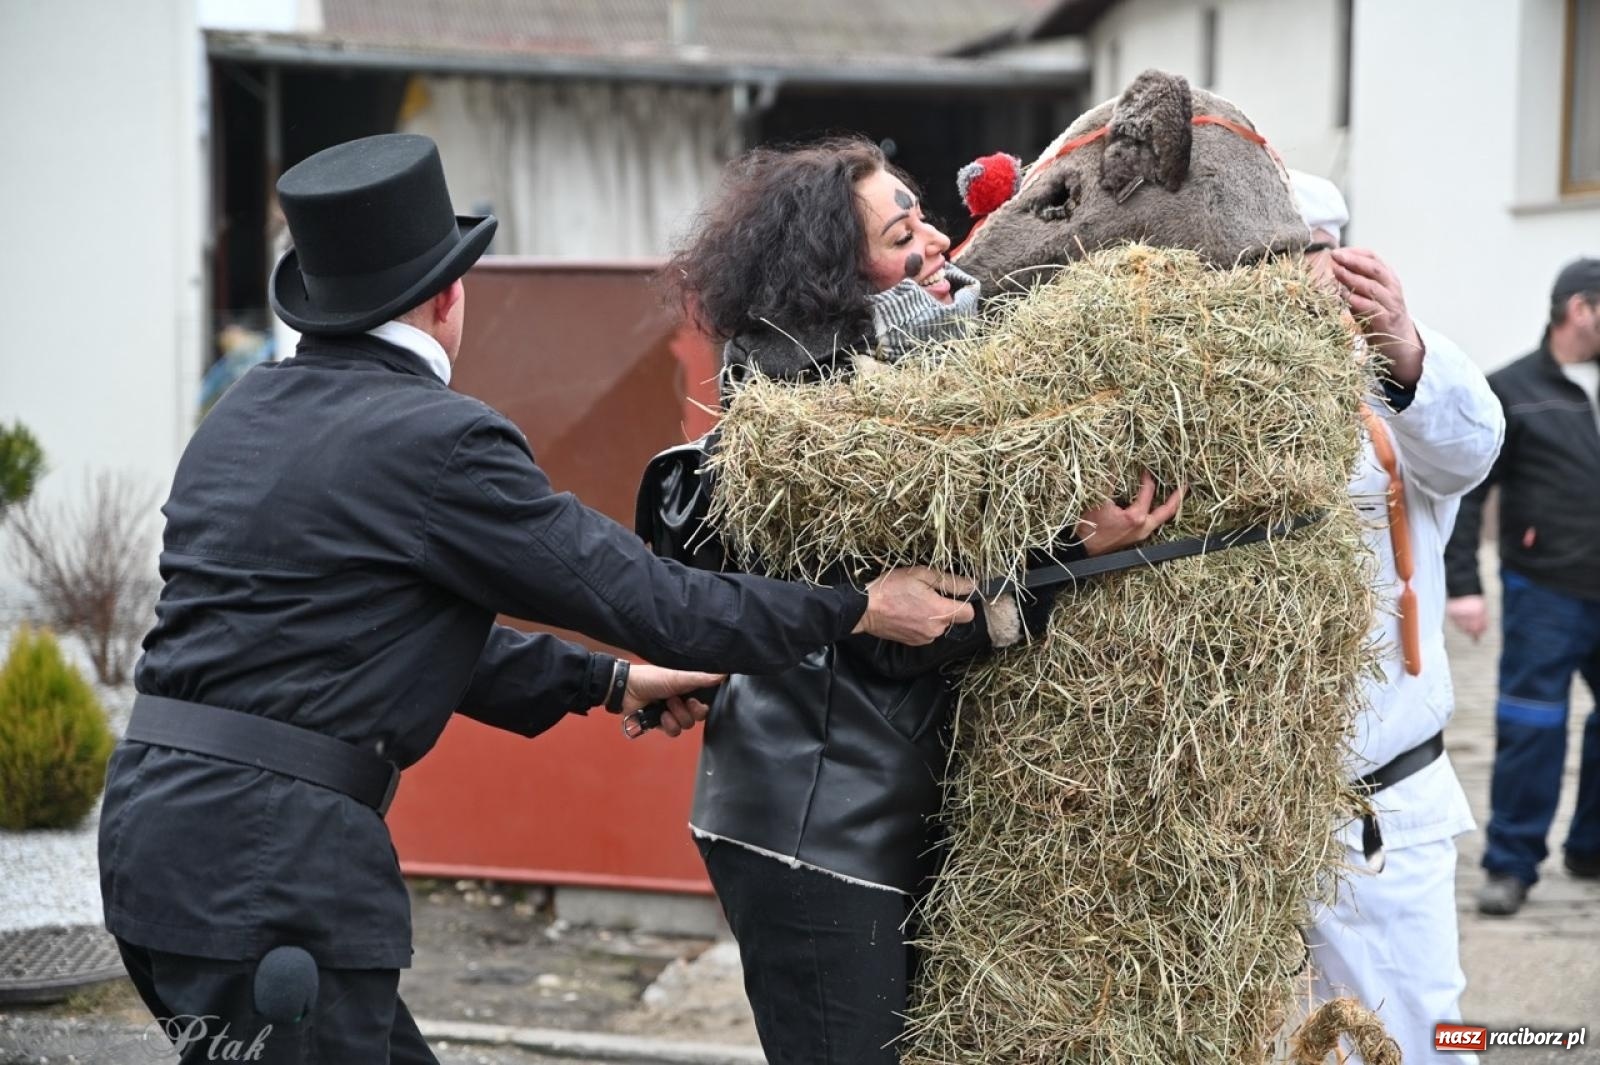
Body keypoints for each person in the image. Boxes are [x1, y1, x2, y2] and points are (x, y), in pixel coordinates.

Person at [97, 133, 981, 1065]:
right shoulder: (439, 442)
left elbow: (362, 637)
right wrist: (857, 606)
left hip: (150, 846)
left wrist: (606, 683)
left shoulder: (242, 413)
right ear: (449, 296)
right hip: (269, 877)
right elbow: (657, 599)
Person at [644, 138, 1181, 1064]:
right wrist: (1073, 550)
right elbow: (898, 632)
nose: (937, 242)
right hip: (816, 827)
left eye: (922, 217)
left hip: (857, 806)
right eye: (902, 236)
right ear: (834, 278)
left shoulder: (889, 378)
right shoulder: (820, 422)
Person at [1288, 172, 1504, 1063]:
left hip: (1379, 801)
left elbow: (1473, 447)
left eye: (1313, 252)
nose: (1301, 277)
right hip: (1228, 812)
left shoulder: (1395, 380)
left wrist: (1406, 347)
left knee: (1427, 1037)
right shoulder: (1194, 384)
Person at [1443, 257, 1600, 917]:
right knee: (1533, 724)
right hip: (1545, 590)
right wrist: (1464, 585)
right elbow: (1471, 491)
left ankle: (1590, 846)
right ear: (1580, 308)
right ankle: (1511, 864)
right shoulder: (1510, 387)